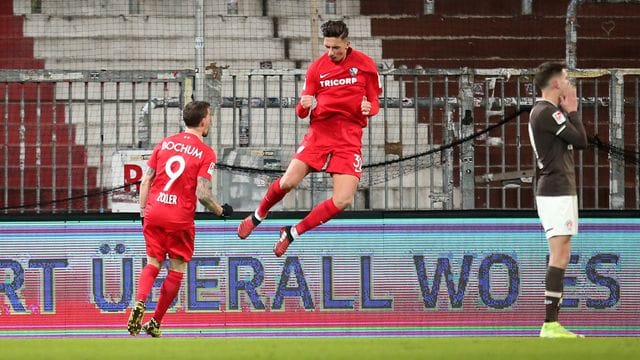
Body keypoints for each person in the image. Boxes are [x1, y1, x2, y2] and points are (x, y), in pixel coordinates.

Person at [237, 20, 382, 256]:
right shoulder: (316, 68)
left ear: (347, 44)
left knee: (343, 200)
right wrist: (303, 106)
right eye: (327, 47)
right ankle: (258, 215)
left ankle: (291, 232)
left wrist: (370, 108)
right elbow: (301, 111)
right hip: (319, 134)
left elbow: (375, 101)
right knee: (288, 182)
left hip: (348, 138)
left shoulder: (365, 65)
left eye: (336, 48)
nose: (331, 53)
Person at [127, 101, 233, 337]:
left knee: (153, 262)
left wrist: (144, 212)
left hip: (154, 212)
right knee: (177, 268)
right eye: (210, 117)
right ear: (204, 120)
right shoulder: (206, 153)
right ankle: (155, 321)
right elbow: (203, 194)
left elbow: (146, 180)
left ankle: (139, 303)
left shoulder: (164, 143)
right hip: (179, 218)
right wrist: (220, 210)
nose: (211, 121)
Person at [528, 62, 588, 338]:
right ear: (555, 84)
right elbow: (580, 140)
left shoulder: (547, 112)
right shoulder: (546, 112)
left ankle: (552, 324)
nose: (568, 82)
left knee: (561, 253)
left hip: (558, 189)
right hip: (556, 190)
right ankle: (550, 324)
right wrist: (573, 111)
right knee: (560, 254)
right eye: (565, 78)